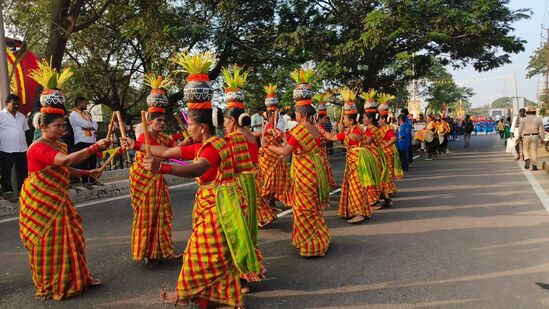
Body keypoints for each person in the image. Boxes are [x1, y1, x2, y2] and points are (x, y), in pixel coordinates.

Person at [125, 53, 260, 308]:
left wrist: (162, 168)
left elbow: (197, 169)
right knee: (211, 255)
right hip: (211, 206)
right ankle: (219, 296)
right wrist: (137, 146)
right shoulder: (200, 144)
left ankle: (194, 294)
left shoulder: (213, 146)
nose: (188, 129)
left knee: (202, 253)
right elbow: (167, 151)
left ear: (203, 127)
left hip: (223, 207)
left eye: (191, 125)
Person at [22, 61, 110, 300]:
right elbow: (64, 161)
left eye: (64, 125)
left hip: (60, 200)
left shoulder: (57, 144)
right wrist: (96, 147)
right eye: (58, 126)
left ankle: (78, 277)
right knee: (50, 246)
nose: (62, 130)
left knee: (74, 239)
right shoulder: (37, 148)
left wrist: (86, 174)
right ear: (42, 126)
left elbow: (68, 168)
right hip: (43, 205)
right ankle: (56, 284)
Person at [263, 68, 330, 256]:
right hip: (315, 172)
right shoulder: (315, 129)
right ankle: (319, 238)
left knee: (303, 210)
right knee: (313, 209)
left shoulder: (300, 131)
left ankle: (311, 245)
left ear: (300, 114)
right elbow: (293, 143)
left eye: (295, 112)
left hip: (304, 177)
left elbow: (285, 151)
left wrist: (268, 146)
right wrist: (281, 136)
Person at [221, 66, 269, 293]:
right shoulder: (251, 136)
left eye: (225, 120)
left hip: (237, 186)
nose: (223, 124)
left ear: (233, 121)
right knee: (248, 228)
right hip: (251, 183)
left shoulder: (233, 139)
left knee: (236, 230)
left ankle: (241, 277)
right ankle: (247, 269)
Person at [128, 74, 180, 263]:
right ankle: (146, 251)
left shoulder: (164, 137)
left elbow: (172, 149)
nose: (162, 123)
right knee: (147, 217)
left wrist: (186, 142)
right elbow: (164, 152)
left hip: (158, 181)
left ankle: (163, 250)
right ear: (148, 122)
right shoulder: (144, 139)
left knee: (163, 215)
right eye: (158, 120)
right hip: (145, 181)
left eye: (163, 120)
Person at [257, 84, 291, 209]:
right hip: (265, 156)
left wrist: (273, 132)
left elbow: (281, 136)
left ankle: (270, 202)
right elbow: (262, 134)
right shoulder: (267, 124)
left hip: (274, 154)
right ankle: (268, 203)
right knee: (265, 179)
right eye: (268, 113)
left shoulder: (280, 121)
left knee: (273, 181)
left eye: (271, 113)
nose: (269, 116)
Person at [0, 94, 29, 202]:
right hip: (6, 148)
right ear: (7, 104)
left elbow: (26, 132)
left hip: (22, 148)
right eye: (14, 104)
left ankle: (23, 191)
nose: (17, 106)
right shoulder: (1, 115)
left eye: (18, 104)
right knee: (6, 171)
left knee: (23, 171)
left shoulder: (21, 116)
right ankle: (8, 192)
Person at [70, 96, 99, 188]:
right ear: (79, 103)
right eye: (84, 103)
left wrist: (90, 126)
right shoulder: (74, 115)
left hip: (91, 139)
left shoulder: (86, 113)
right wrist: (89, 126)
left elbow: (96, 125)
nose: (86, 104)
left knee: (93, 160)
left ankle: (93, 179)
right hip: (81, 140)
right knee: (84, 161)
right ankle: (85, 181)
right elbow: (86, 124)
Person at [314, 93, 337, 189]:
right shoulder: (316, 128)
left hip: (323, 152)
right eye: (324, 118)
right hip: (318, 154)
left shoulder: (321, 127)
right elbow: (330, 137)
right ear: (319, 118)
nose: (325, 120)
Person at [519, 105, 545, 171]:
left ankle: (527, 158)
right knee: (534, 151)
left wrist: (519, 136)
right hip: (535, 136)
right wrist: (542, 139)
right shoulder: (538, 119)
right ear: (535, 112)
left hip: (526, 136)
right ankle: (534, 166)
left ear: (527, 112)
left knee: (525, 150)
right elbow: (541, 130)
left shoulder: (524, 119)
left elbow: (520, 129)